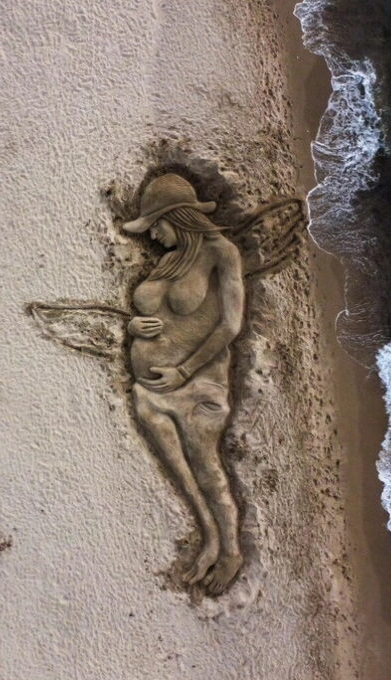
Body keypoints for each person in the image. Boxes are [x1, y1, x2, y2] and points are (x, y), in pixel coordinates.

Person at [123, 173, 244, 594]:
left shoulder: (222, 253)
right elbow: (159, 316)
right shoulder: (169, 260)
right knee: (182, 473)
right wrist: (134, 327)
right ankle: (209, 536)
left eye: (156, 224)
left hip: (197, 386)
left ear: (177, 217)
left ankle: (231, 552)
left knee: (207, 469)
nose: (152, 235)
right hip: (151, 394)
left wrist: (184, 371)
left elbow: (230, 326)